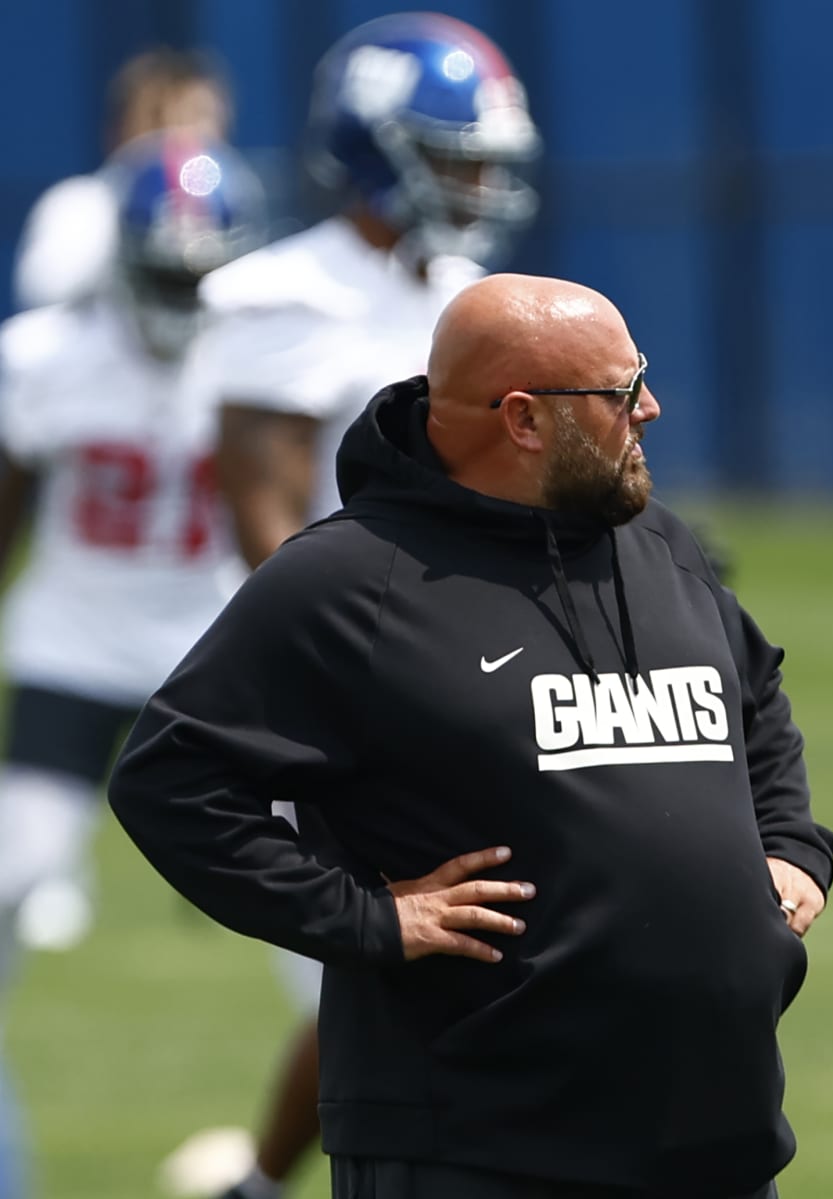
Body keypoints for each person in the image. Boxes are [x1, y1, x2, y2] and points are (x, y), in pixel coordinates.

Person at [109, 272, 833, 1199]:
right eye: (619, 393)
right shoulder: (348, 582)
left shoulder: (660, 544)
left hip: (715, 1140)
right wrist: (366, 917)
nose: (650, 408)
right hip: (477, 1148)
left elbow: (755, 694)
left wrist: (792, 846)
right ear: (525, 419)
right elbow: (170, 779)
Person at [159, 15, 543, 1199]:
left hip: (470, 666)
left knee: (458, 958)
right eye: (451, 153)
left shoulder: (462, 289)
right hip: (338, 684)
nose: (477, 181)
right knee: (386, 966)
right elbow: (266, 520)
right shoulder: (282, 294)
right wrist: (383, 670)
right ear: (373, 150)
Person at [0, 131, 264, 1199]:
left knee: (322, 910)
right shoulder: (43, 357)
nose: (184, 292)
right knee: (13, 880)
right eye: (168, 268)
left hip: (210, 653)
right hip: (73, 642)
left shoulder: (263, 348)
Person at [12, 47, 232, 311]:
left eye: (200, 117)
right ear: (117, 131)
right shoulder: (84, 203)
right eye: (158, 119)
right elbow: (43, 293)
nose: (182, 136)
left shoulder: (240, 204)